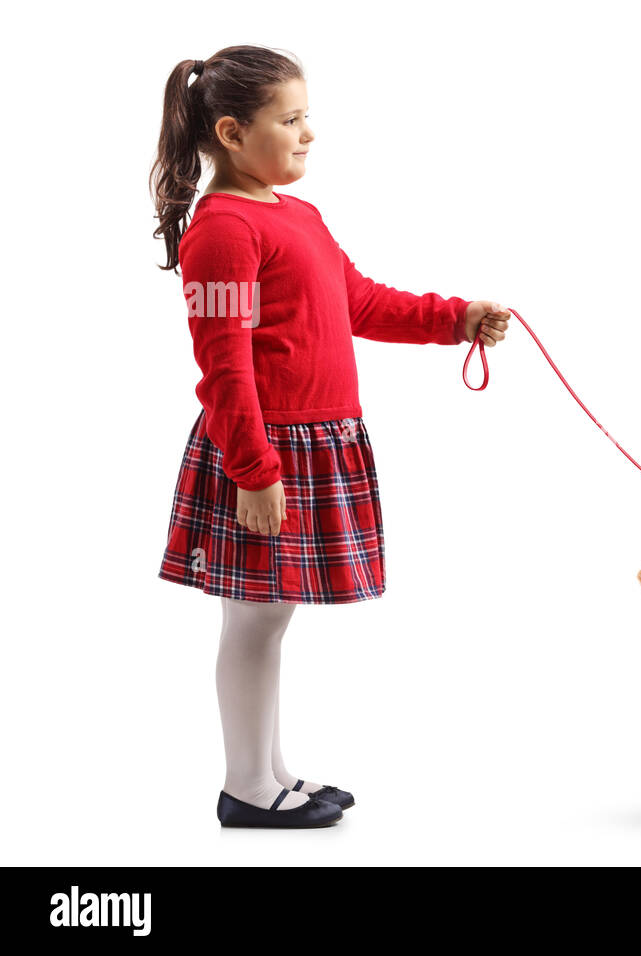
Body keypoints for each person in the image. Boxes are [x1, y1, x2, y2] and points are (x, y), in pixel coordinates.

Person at [149, 45, 510, 828]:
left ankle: (271, 771)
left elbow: (360, 302)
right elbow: (224, 365)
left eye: (307, 115)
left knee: (268, 615)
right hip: (265, 452)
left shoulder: (297, 215)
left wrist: (455, 319)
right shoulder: (221, 230)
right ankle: (246, 786)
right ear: (233, 133)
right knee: (252, 616)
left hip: (311, 444)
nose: (310, 132)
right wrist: (252, 468)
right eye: (291, 119)